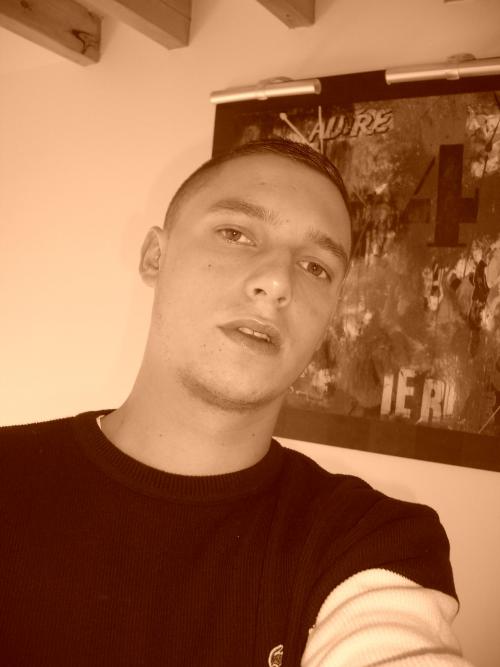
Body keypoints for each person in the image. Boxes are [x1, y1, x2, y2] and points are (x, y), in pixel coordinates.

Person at [0, 140, 472, 666]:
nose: (277, 282)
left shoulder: (368, 540)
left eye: (315, 266)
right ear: (155, 256)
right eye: (236, 234)